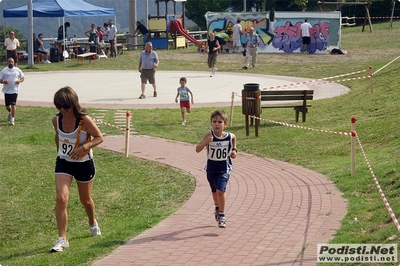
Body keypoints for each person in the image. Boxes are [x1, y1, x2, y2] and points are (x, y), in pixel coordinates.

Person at [50, 86, 104, 252]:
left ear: (73, 104)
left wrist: (83, 147)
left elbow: (99, 137)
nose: (63, 110)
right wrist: (60, 152)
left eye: (65, 106)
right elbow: (58, 136)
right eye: (59, 106)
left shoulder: (84, 120)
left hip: (84, 163)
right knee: (61, 198)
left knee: (85, 200)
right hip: (64, 162)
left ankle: (92, 222)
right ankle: (62, 239)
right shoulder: (56, 120)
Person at [195, 110, 237, 228]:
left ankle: (222, 216)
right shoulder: (209, 135)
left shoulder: (228, 136)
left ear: (225, 124)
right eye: (214, 122)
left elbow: (234, 138)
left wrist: (234, 150)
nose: (217, 124)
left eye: (220, 122)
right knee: (214, 192)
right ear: (211, 123)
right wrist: (206, 142)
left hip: (224, 168)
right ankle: (217, 207)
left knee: (220, 190)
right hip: (211, 169)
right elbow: (197, 149)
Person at [0, 58, 24, 126]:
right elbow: (0, 79)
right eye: (9, 62)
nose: (11, 63)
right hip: (7, 90)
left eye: (12, 62)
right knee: (7, 106)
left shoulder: (17, 70)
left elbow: (22, 77)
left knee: (13, 105)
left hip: (14, 90)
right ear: (7, 62)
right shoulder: (4, 70)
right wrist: (3, 81)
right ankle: (10, 112)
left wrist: (19, 81)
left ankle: (12, 120)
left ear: (14, 62)